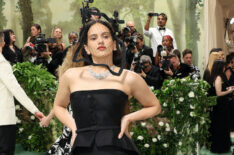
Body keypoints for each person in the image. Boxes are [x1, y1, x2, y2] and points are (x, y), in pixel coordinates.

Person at [53, 20, 161, 155]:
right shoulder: (71, 76)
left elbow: (155, 106)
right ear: (86, 48)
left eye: (105, 36)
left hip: (118, 147)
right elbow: (58, 106)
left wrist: (128, 118)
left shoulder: (129, 77)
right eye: (94, 38)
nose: (100, 41)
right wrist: (74, 128)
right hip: (82, 147)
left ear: (114, 44)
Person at [0, 31, 44, 154]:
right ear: (3, 43)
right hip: (3, 119)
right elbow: (16, 89)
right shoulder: (2, 63)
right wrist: (34, 110)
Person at [209, 60, 234, 153]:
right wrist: (229, 91)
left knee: (223, 126)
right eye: (223, 67)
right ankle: (220, 147)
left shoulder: (218, 77)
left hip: (223, 106)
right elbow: (218, 93)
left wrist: (228, 88)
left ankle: (224, 146)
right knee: (221, 126)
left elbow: (221, 88)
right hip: (220, 107)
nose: (225, 68)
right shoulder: (218, 77)